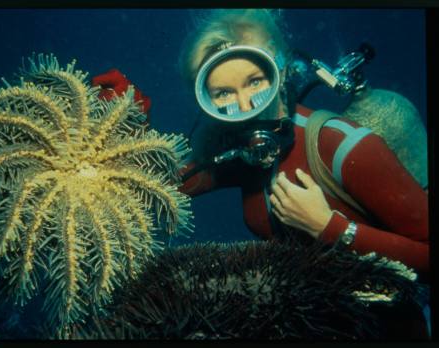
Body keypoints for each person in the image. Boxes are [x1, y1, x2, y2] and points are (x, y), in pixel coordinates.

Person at [92, 10, 428, 282]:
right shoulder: (240, 153)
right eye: (223, 93)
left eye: (255, 81)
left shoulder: (342, 147)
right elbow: (154, 188)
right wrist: (127, 124)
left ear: (279, 72)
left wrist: (330, 227)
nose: (245, 104)